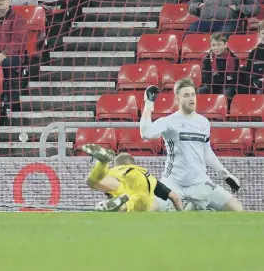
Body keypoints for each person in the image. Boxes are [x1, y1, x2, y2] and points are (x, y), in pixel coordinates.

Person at [140, 78, 243, 211]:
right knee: (149, 209)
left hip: (200, 182)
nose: (191, 98)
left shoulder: (203, 122)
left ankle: (193, 209)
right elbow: (146, 133)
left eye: (193, 94)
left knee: (236, 209)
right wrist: (149, 104)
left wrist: (226, 175)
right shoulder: (168, 121)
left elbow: (207, 152)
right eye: (186, 95)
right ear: (177, 100)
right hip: (173, 182)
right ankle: (189, 209)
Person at [83, 145, 183, 212]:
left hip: (117, 182)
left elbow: (99, 182)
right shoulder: (143, 172)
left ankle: (102, 162)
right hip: (142, 185)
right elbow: (175, 198)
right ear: (134, 164)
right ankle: (119, 207)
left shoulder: (115, 170)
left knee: (92, 181)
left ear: (116, 164)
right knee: (152, 205)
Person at [198, 33, 239, 99]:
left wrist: (217, 77)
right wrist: (224, 78)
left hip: (227, 87)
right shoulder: (207, 59)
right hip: (211, 86)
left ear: (225, 45)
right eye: (213, 45)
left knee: (227, 93)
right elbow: (206, 78)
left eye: (219, 45)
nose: (215, 48)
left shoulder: (234, 59)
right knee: (200, 91)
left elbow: (234, 80)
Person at [239, 20, 264, 94]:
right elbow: (249, 71)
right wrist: (254, 81)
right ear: (259, 34)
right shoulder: (254, 52)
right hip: (256, 85)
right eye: (263, 33)